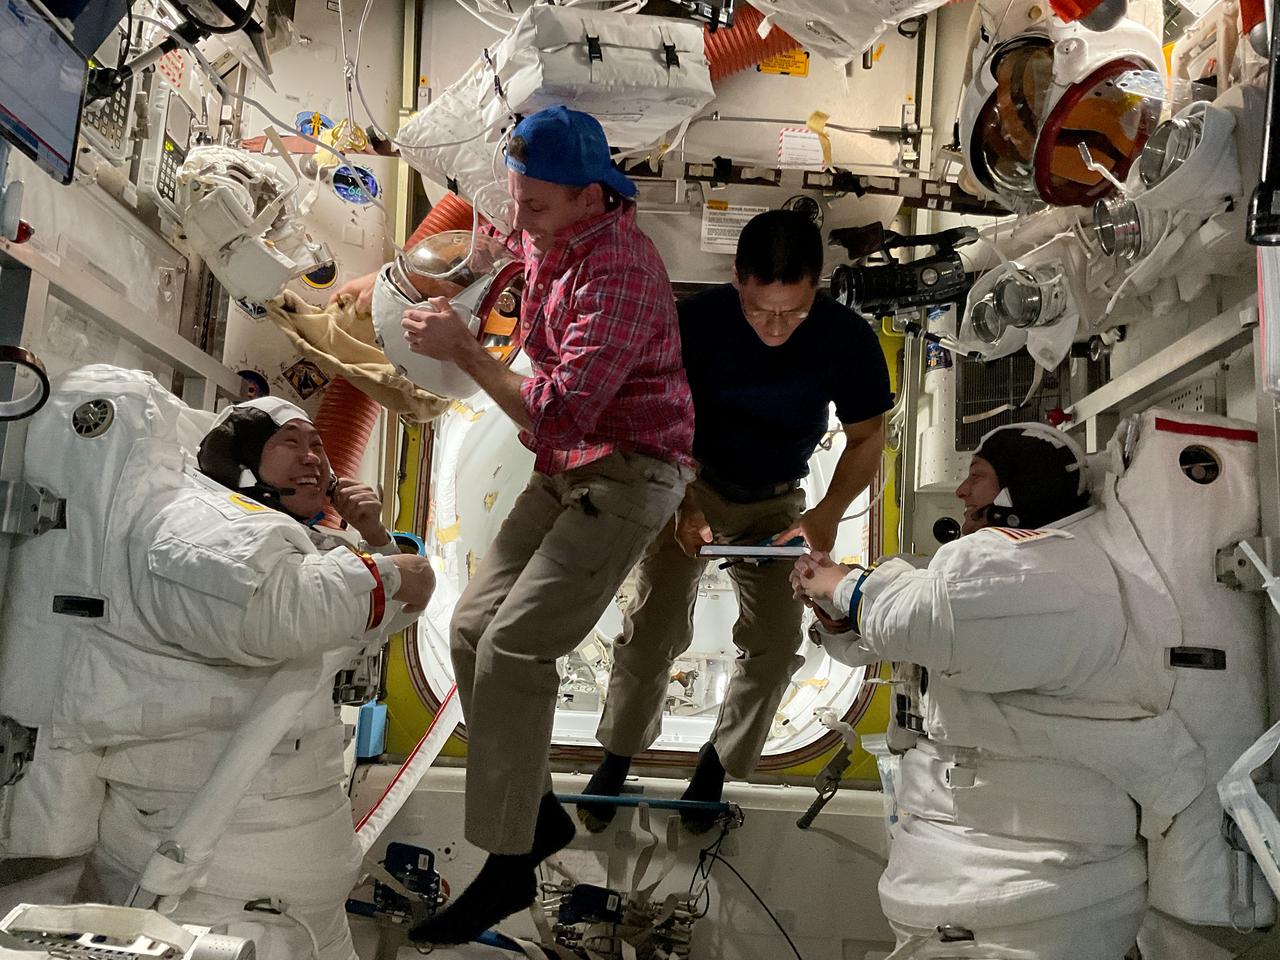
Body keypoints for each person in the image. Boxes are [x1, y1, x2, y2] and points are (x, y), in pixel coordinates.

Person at [386, 106, 696, 945]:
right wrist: (471, 266)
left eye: (535, 206)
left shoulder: (621, 273)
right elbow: (508, 249)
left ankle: (509, 862)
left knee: (517, 645)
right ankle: (538, 818)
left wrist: (466, 350)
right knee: (469, 626)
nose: (519, 217)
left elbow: (560, 412)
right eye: (515, 199)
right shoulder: (553, 232)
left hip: (631, 472)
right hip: (569, 470)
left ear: (592, 196)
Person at [790, 423, 1205, 960]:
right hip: (984, 885)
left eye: (977, 477)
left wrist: (844, 586)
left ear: (1018, 490)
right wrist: (839, 612)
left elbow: (932, 620)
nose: (962, 492)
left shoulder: (1054, 572)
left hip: (1026, 890)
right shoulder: (1010, 571)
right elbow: (910, 631)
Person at [82, 396, 435, 960]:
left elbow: (369, 621)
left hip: (297, 880)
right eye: (290, 442)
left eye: (318, 443)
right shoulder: (198, 522)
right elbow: (271, 610)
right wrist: (392, 574)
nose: (313, 456)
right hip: (211, 873)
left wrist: (374, 539)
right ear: (239, 455)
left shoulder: (287, 540)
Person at [576, 209, 892, 834]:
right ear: (737, 281)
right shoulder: (692, 325)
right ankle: (617, 753)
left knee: (775, 647)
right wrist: (685, 502)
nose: (776, 329)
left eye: (793, 313)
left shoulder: (845, 337)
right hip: (689, 479)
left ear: (817, 285)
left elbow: (866, 438)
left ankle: (718, 765)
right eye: (760, 311)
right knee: (654, 625)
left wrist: (826, 514)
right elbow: (650, 419)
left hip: (776, 500)